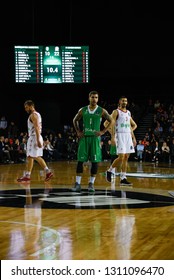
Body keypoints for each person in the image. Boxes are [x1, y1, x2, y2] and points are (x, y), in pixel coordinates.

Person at [72, 90, 114, 193]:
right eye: (92, 97)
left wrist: (103, 131)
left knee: (95, 162)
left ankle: (91, 184)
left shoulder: (101, 110)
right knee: (80, 161)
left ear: (98, 99)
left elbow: (111, 120)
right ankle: (77, 184)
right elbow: (75, 120)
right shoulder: (83, 110)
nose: (94, 99)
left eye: (96, 97)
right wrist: (78, 131)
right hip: (84, 138)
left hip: (95, 139)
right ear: (89, 98)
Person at [17, 100, 53, 182]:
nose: (25, 109)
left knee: (34, 156)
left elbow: (36, 127)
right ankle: (28, 175)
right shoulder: (38, 114)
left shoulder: (33, 115)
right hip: (36, 136)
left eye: (26, 107)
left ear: (31, 106)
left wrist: (38, 140)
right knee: (31, 156)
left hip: (34, 137)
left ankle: (47, 172)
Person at [105, 96, 137, 186]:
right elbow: (107, 123)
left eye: (126, 101)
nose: (125, 102)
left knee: (126, 157)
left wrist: (133, 137)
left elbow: (130, 126)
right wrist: (113, 136)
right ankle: (109, 171)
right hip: (119, 135)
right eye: (123, 100)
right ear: (119, 102)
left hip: (128, 136)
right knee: (121, 157)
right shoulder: (116, 112)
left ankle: (123, 178)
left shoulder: (128, 113)